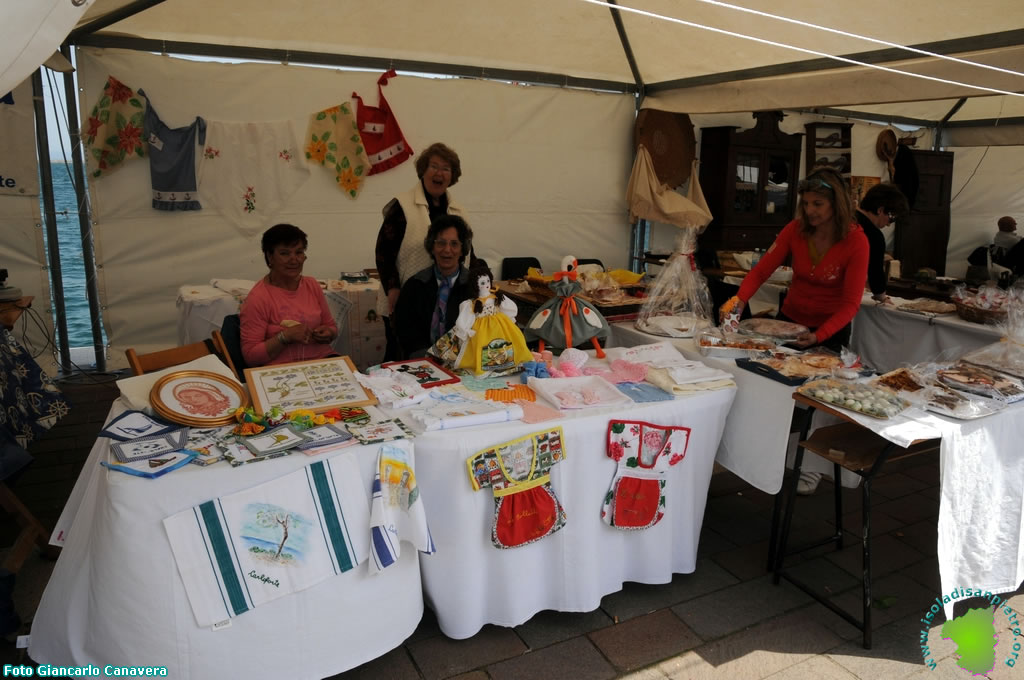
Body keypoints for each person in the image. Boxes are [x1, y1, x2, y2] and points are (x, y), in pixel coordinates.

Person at [722, 167, 869, 353]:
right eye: (805, 203)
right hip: (788, 324)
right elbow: (760, 272)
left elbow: (851, 304)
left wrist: (819, 335)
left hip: (830, 332)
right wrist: (740, 300)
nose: (809, 210)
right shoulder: (795, 229)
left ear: (837, 204)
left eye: (817, 204)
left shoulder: (856, 241)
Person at [376, 143, 467, 358]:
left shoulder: (458, 210)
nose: (439, 173)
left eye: (446, 169)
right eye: (433, 166)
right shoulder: (403, 205)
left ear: (452, 176)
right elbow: (384, 251)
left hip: (448, 297)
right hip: (406, 296)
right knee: (403, 351)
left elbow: (468, 250)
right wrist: (393, 287)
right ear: (423, 170)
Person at [240, 223, 337, 367]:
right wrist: (284, 337)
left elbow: (331, 326)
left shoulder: (311, 285)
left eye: (299, 252)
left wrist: (329, 332)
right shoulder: (258, 297)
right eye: (284, 253)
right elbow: (251, 356)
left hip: (321, 361)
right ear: (270, 257)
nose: (294, 259)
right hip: (281, 369)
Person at [392, 215, 475, 359]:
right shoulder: (414, 285)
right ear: (432, 247)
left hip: (464, 360)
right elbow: (405, 329)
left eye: (454, 244)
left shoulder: (474, 287)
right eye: (441, 243)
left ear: (462, 249)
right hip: (421, 359)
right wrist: (425, 357)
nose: (447, 250)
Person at [453, 261, 532, 375]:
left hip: (500, 323)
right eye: (482, 282)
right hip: (482, 328)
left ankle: (507, 362)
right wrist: (466, 329)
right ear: (475, 285)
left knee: (508, 340)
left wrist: (510, 317)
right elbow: (467, 316)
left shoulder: (496, 296)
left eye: (488, 281)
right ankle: (488, 366)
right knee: (483, 345)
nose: (486, 284)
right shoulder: (472, 303)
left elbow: (507, 307)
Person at [855, 183, 909, 302]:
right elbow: (875, 271)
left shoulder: (844, 217)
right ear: (880, 210)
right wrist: (881, 296)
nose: (889, 224)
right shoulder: (874, 235)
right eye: (891, 218)